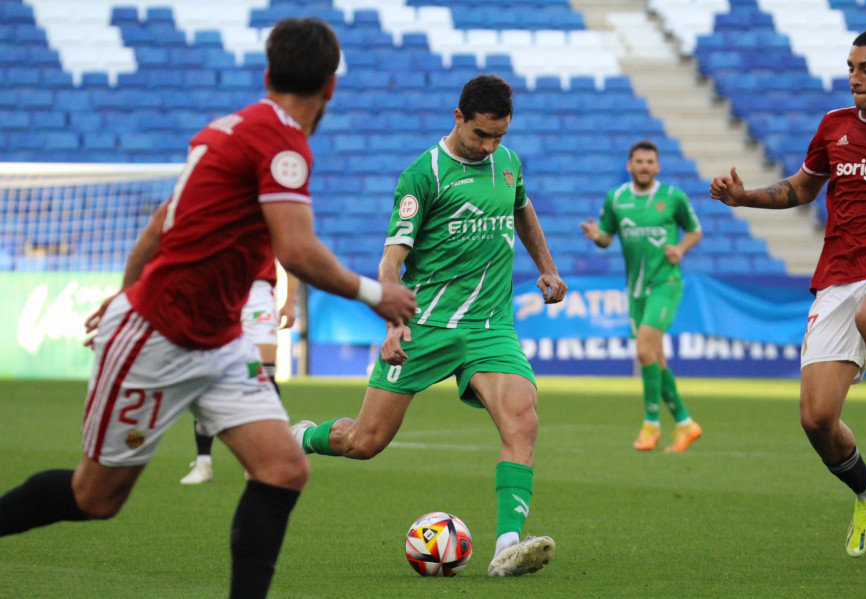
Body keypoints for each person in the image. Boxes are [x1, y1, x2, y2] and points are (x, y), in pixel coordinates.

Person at [0, 17, 416, 599]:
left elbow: (157, 226)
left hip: (219, 343)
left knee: (283, 468)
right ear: (330, 89)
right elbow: (295, 249)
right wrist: (377, 294)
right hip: (158, 336)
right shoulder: (281, 142)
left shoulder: (227, 130)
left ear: (269, 73)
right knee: (95, 498)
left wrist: (125, 288)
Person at [292, 74, 567, 577]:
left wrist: (546, 266)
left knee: (522, 420)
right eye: (481, 135)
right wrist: (393, 324)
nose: (489, 147)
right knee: (365, 442)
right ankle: (302, 437)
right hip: (428, 325)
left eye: (499, 136)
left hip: (489, 326)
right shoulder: (425, 174)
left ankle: (508, 543)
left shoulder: (507, 163)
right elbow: (390, 263)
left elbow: (523, 211)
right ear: (458, 117)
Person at [710, 27, 866, 558]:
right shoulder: (833, 127)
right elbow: (802, 187)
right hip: (839, 273)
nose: (855, 78)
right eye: (851, 68)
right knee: (816, 420)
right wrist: (745, 197)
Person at [580, 140, 703, 453]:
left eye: (650, 162)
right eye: (639, 161)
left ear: (657, 167)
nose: (645, 166)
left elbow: (694, 230)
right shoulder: (617, 198)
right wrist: (597, 238)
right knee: (656, 359)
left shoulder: (672, 197)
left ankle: (651, 424)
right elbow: (607, 237)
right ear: (629, 165)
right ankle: (686, 423)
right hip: (635, 289)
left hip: (666, 283)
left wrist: (681, 249)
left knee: (645, 349)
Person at [181, 265, 300, 485]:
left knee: (263, 375)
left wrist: (290, 302)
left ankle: (268, 458)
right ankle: (203, 463)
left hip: (258, 295)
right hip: (219, 292)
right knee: (208, 376)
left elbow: (291, 258)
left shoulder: (270, 229)